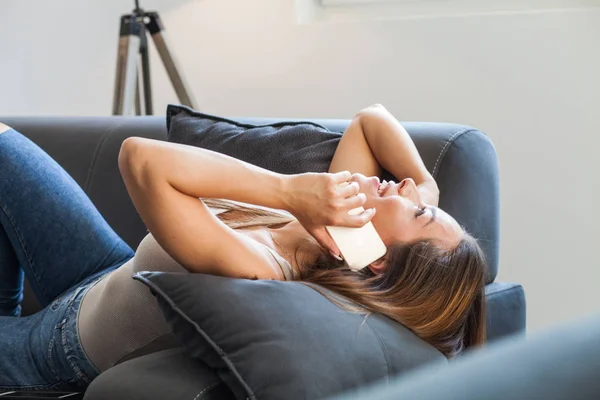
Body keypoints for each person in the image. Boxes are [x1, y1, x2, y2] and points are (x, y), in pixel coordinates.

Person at [0, 104, 487, 391]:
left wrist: (291, 192)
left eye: (419, 212)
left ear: (377, 261)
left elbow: (142, 160)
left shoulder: (261, 273)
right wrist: (425, 189)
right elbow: (369, 121)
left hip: (60, 348)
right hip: (102, 271)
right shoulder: (340, 228)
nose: (400, 185)